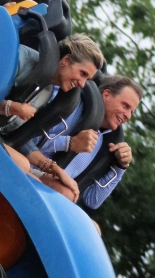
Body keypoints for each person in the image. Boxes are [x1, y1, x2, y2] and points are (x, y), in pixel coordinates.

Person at [35, 75, 143, 211]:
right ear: (107, 95)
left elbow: (92, 200)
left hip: (57, 199)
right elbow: (29, 140)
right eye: (125, 106)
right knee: (65, 193)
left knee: (95, 228)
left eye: (131, 111)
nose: (128, 116)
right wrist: (70, 143)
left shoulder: (107, 143)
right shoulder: (70, 106)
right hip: (29, 168)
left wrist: (120, 167)